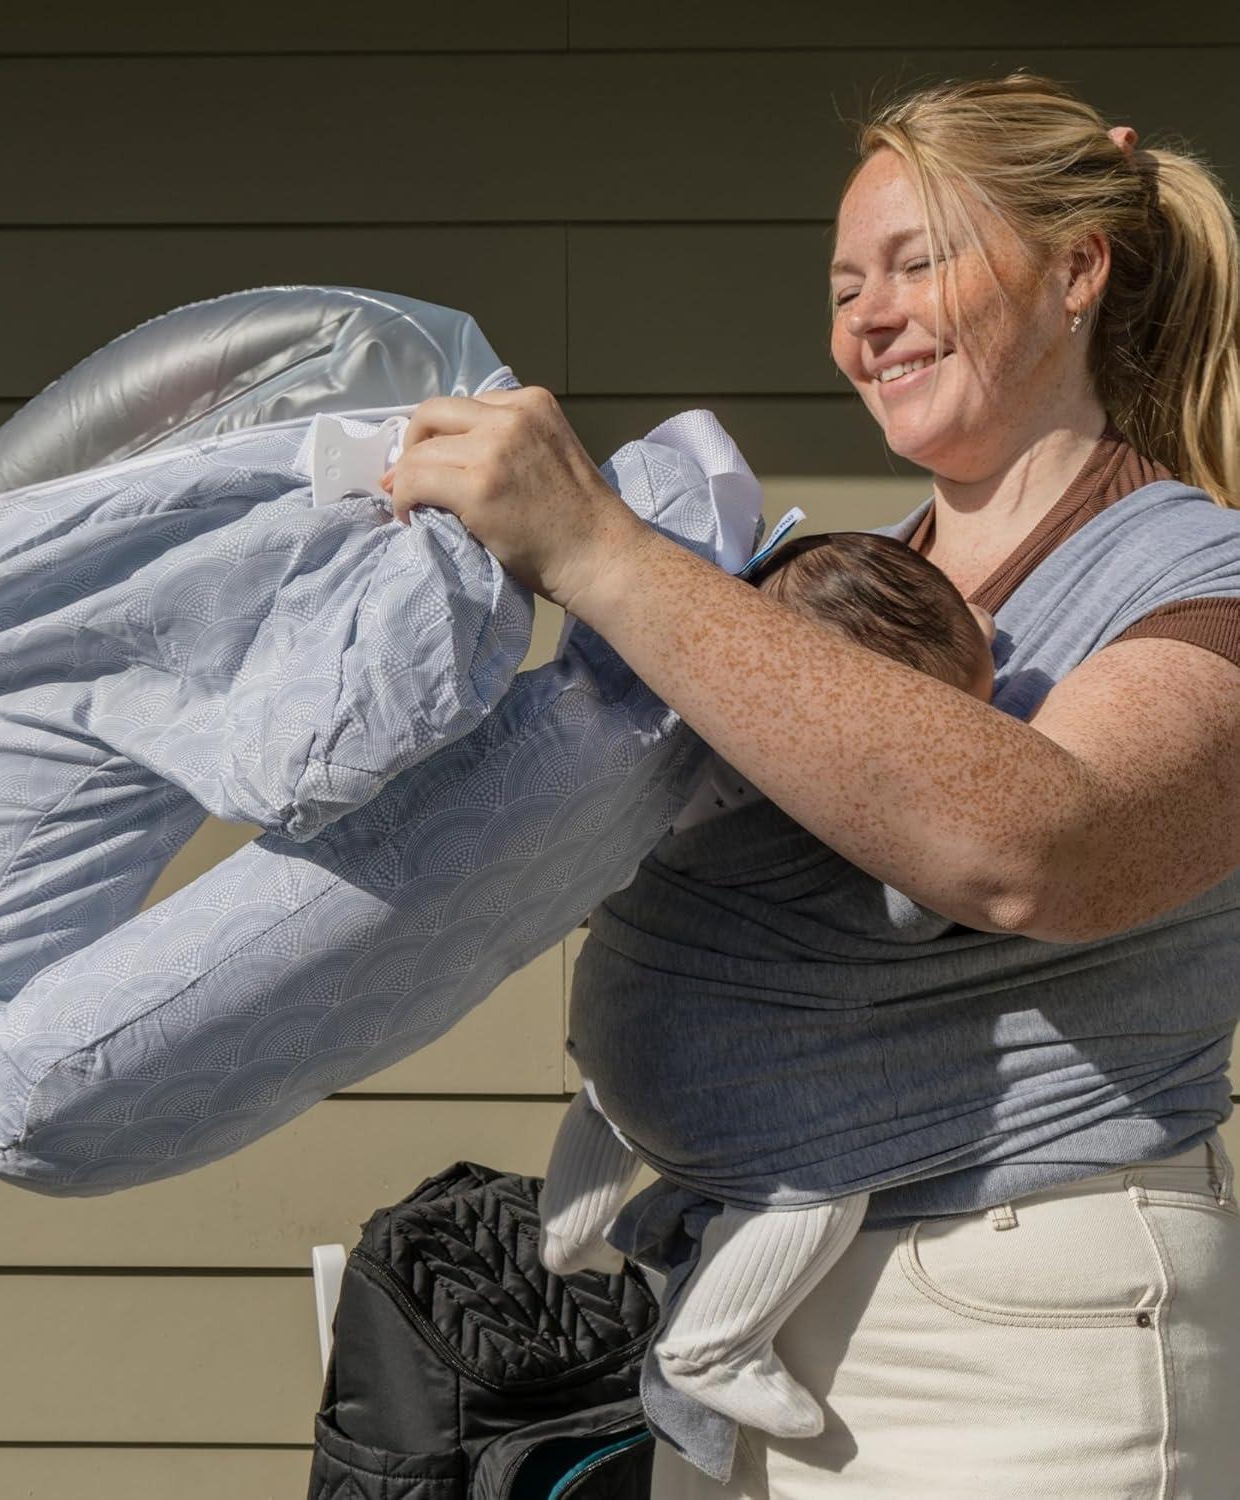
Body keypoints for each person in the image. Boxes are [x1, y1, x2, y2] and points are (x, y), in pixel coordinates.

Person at [380, 71, 1240, 1496]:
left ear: (1078, 271)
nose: (868, 320)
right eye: (845, 288)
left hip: (1020, 1332)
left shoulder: (1197, 570)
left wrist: (598, 548)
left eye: (918, 263)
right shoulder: (863, 580)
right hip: (735, 1310)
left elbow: (1040, 848)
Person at [536, 531, 999, 1441]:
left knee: (614, 1094)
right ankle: (714, 1347)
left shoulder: (693, 740)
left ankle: (568, 1230)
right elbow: (922, 907)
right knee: (824, 1183)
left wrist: (958, 642)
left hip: (613, 1012)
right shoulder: (828, 800)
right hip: (713, 1054)